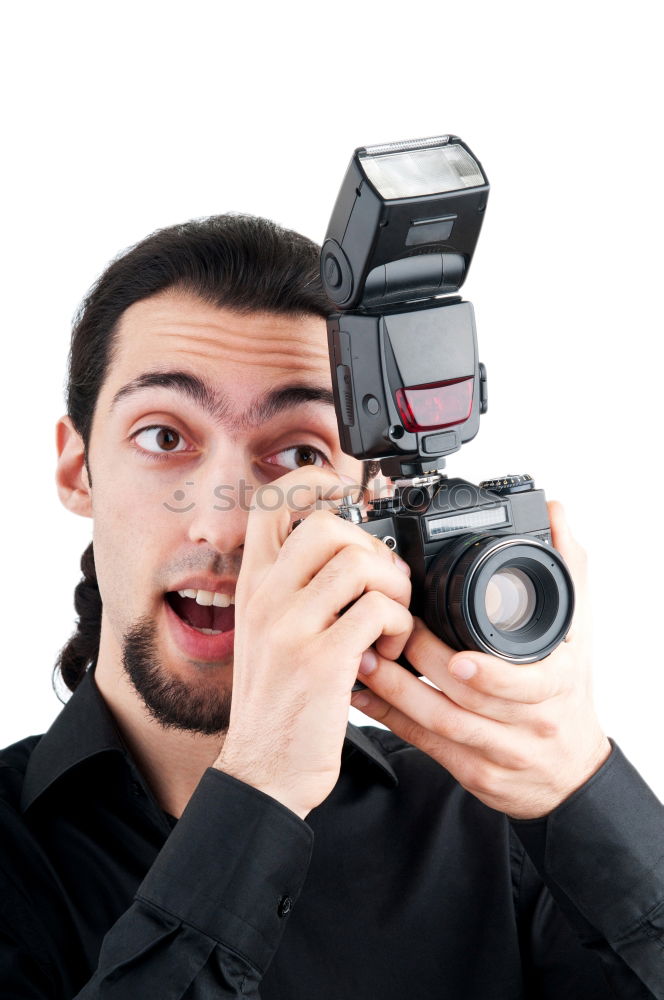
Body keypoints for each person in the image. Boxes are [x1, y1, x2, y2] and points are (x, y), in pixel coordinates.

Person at [0, 214, 661, 999]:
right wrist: (260, 788)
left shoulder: (487, 824)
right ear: (78, 470)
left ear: (369, 501)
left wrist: (582, 789)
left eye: (299, 455)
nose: (222, 524)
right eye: (163, 437)